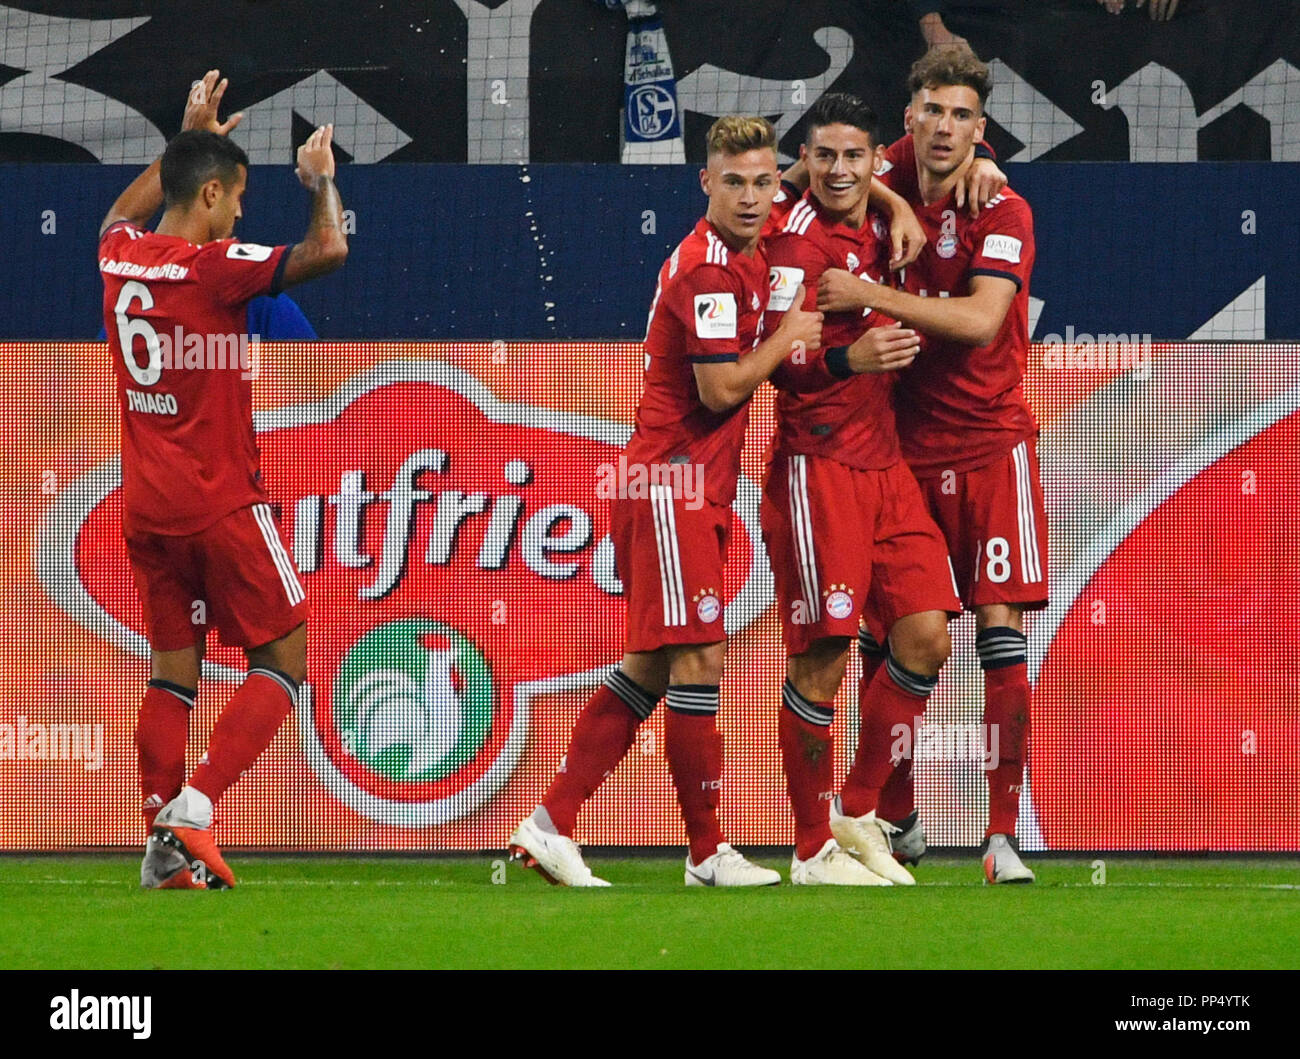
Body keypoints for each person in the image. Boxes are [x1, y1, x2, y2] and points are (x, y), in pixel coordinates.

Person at [509, 115, 822, 887]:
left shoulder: (761, 230)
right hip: (668, 484)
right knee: (699, 657)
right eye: (735, 182)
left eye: (763, 181)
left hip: (698, 488)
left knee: (649, 666)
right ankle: (707, 851)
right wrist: (787, 337)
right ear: (705, 184)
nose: (752, 197)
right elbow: (719, 389)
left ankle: (550, 822)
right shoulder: (703, 270)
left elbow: (829, 175)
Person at [98, 70, 348, 889]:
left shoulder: (119, 257)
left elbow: (119, 213)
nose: (241, 214)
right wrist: (320, 186)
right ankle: (196, 807)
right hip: (220, 501)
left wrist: (183, 134)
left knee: (173, 673)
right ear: (210, 195)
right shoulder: (213, 269)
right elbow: (327, 251)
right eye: (236, 197)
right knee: (285, 656)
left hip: (146, 508)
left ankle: (160, 852)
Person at [817, 46, 1043, 883]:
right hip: (900, 450)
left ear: (980, 129)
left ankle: (1002, 833)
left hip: (991, 444)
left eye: (962, 117)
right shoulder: (886, 169)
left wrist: (868, 293)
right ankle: (885, 811)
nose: (945, 127)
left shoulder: (1006, 205)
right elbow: (818, 172)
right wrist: (880, 190)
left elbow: (984, 322)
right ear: (909, 114)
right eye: (932, 111)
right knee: (900, 637)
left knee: (1000, 629)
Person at [761, 92, 961, 886]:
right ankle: (812, 848)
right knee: (824, 657)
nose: (840, 171)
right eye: (824, 157)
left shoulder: (882, 214)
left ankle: (856, 805)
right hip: (820, 466)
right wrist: (852, 359)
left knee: (925, 636)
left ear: (876, 159)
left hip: (886, 467)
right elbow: (775, 361)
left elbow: (942, 158)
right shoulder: (792, 244)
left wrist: (887, 198)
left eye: (855, 157)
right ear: (803, 161)